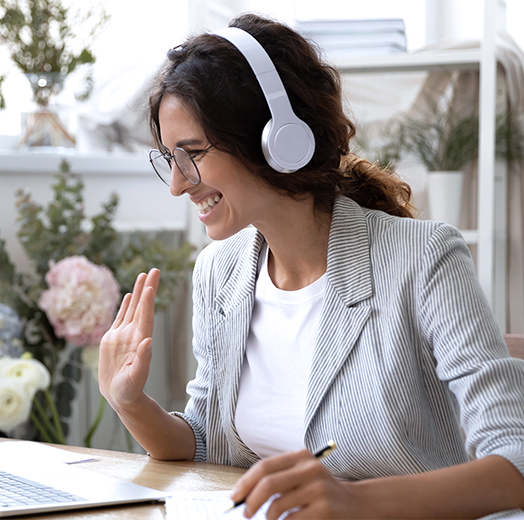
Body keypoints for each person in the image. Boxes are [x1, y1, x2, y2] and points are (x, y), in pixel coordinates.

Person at [98, 12, 524, 520]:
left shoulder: (423, 259)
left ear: (278, 138)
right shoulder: (221, 271)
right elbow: (207, 443)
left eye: (192, 154)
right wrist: (130, 402)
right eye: (169, 158)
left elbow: (514, 464)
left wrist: (351, 502)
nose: (177, 184)